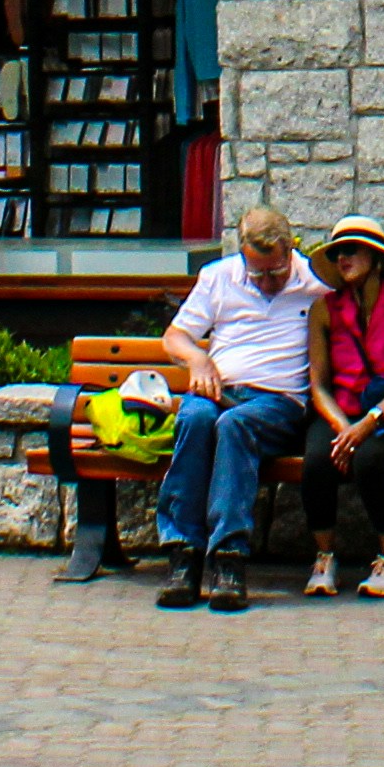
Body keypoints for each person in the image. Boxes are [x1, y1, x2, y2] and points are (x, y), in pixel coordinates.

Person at [148, 205, 321, 613]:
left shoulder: (315, 281)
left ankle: (229, 558)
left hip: (277, 400)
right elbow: (176, 337)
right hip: (219, 388)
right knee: (195, 418)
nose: (266, 283)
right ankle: (183, 554)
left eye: (275, 272)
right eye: (256, 274)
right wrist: (198, 360)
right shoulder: (218, 276)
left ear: (290, 249)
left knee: (235, 425)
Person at [301, 208, 384, 601]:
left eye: (352, 250)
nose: (343, 258)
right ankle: (324, 558)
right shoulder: (325, 308)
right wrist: (343, 428)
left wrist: (368, 423)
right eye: (337, 252)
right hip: (340, 412)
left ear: (376, 258)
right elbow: (318, 384)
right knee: (317, 459)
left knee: (371, 459)